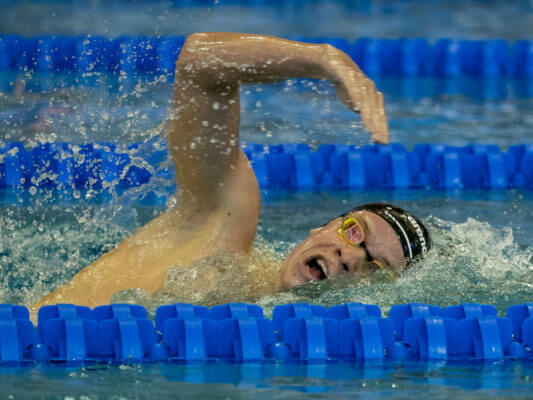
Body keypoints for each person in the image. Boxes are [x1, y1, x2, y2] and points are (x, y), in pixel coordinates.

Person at [30, 33, 430, 313]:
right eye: (354, 232)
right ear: (320, 228)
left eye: (375, 267)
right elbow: (199, 65)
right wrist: (326, 59)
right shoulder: (222, 233)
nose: (350, 257)